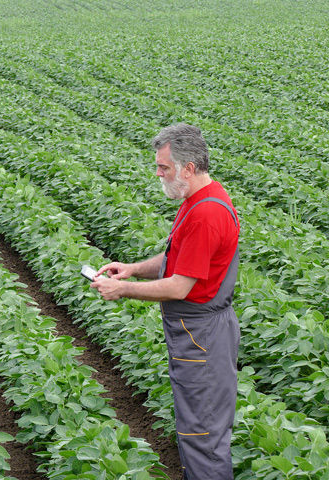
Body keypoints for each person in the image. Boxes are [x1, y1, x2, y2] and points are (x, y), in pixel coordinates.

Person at [91, 123, 240, 479]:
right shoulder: (201, 198)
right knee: (199, 428)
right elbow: (178, 260)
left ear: (188, 168)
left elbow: (179, 286)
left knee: (202, 435)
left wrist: (122, 290)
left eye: (164, 167)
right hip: (199, 331)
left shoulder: (207, 214)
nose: (158, 173)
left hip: (201, 337)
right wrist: (132, 270)